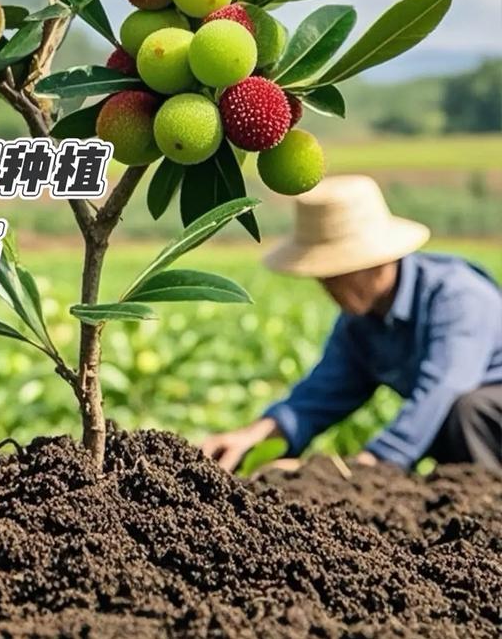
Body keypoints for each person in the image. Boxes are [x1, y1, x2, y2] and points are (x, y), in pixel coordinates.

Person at [203, 175, 502, 474]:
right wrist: (256, 436)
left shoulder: (457, 297)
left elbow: (442, 389)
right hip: (467, 433)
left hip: (483, 420)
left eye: (337, 274)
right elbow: (319, 395)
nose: (329, 288)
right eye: (321, 277)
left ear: (377, 260)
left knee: (468, 411)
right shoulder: (360, 325)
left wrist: (371, 465)